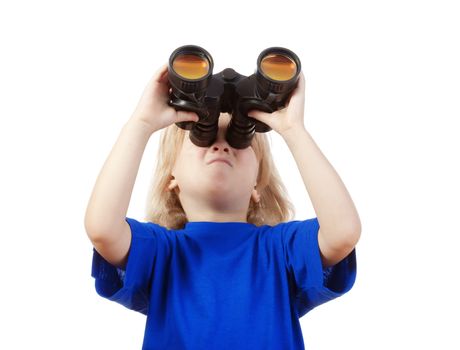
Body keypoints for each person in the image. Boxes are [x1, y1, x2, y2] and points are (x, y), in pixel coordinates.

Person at [85, 63, 361, 350]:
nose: (221, 146)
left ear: (257, 184)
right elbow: (102, 229)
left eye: (239, 139)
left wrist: (294, 130)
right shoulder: (162, 251)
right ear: (171, 178)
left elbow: (342, 232)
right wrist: (141, 124)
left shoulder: (280, 250)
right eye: (201, 136)